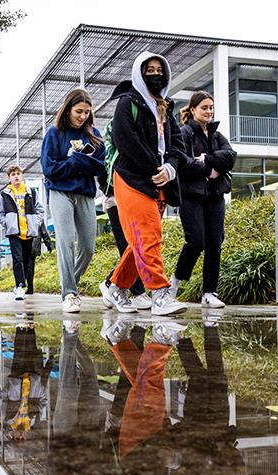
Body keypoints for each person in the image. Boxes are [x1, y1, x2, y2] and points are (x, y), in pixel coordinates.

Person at [100, 52, 188, 316]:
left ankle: (115, 287)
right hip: (131, 178)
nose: (154, 74)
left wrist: (170, 169)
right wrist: (155, 168)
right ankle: (160, 294)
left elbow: (178, 147)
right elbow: (125, 140)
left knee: (139, 241)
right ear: (139, 73)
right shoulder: (127, 103)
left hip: (161, 182)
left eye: (158, 70)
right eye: (148, 70)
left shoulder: (167, 107)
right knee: (149, 236)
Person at [41, 88, 106, 313]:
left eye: (87, 112)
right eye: (79, 111)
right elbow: (49, 169)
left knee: (88, 247)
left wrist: (75, 161)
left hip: (86, 193)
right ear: (68, 109)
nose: (82, 116)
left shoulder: (94, 134)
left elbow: (100, 166)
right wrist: (76, 163)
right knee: (66, 242)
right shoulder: (54, 133)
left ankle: (70, 284)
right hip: (60, 193)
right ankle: (68, 293)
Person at [171, 91, 237, 308]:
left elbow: (230, 157)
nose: (209, 111)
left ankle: (210, 293)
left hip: (215, 197)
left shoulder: (217, 135)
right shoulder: (185, 133)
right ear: (193, 110)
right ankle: (174, 284)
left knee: (214, 244)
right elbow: (184, 163)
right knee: (196, 242)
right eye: (204, 108)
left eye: (211, 107)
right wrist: (211, 169)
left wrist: (207, 159)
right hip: (191, 196)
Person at [0, 166, 45, 301]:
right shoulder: (5, 194)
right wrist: (6, 223)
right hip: (14, 232)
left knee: (27, 260)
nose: (16, 176)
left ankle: (23, 283)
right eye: (13, 174)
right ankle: (19, 287)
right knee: (17, 259)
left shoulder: (31, 192)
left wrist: (36, 222)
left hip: (28, 232)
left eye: (18, 174)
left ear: (22, 176)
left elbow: (40, 210)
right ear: (9, 177)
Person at [28, 221, 53, 295]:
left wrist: (48, 244)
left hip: (27, 245)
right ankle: (30, 287)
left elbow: (43, 232)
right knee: (30, 267)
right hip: (34, 246)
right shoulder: (38, 217)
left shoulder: (22, 213)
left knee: (26, 266)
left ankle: (26, 286)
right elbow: (44, 233)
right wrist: (49, 245)